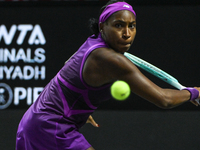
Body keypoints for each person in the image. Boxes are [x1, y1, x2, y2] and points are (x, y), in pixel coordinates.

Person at [16, 0, 200, 150]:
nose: (127, 34)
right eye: (119, 26)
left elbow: (66, 70)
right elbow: (163, 99)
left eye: (132, 26)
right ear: (103, 26)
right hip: (50, 128)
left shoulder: (92, 42)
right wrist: (194, 92)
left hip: (36, 121)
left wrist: (76, 105)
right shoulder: (111, 60)